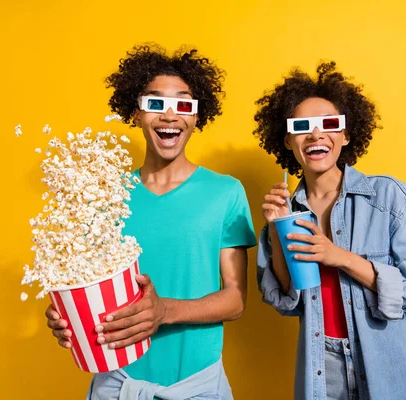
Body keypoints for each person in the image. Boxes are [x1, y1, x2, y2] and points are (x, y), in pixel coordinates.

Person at [46, 44, 257, 399]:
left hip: (198, 386)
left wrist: (165, 311)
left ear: (196, 117)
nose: (170, 115)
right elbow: (88, 288)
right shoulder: (105, 196)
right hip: (117, 384)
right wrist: (65, 316)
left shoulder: (225, 193)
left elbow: (235, 299)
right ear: (136, 113)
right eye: (155, 103)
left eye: (184, 105)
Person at [255, 61, 406, 400]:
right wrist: (275, 232)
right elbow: (285, 299)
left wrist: (339, 256)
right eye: (302, 127)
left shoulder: (391, 199)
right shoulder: (288, 211)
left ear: (346, 134)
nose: (316, 135)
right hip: (321, 362)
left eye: (329, 124)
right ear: (286, 140)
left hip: (389, 358)